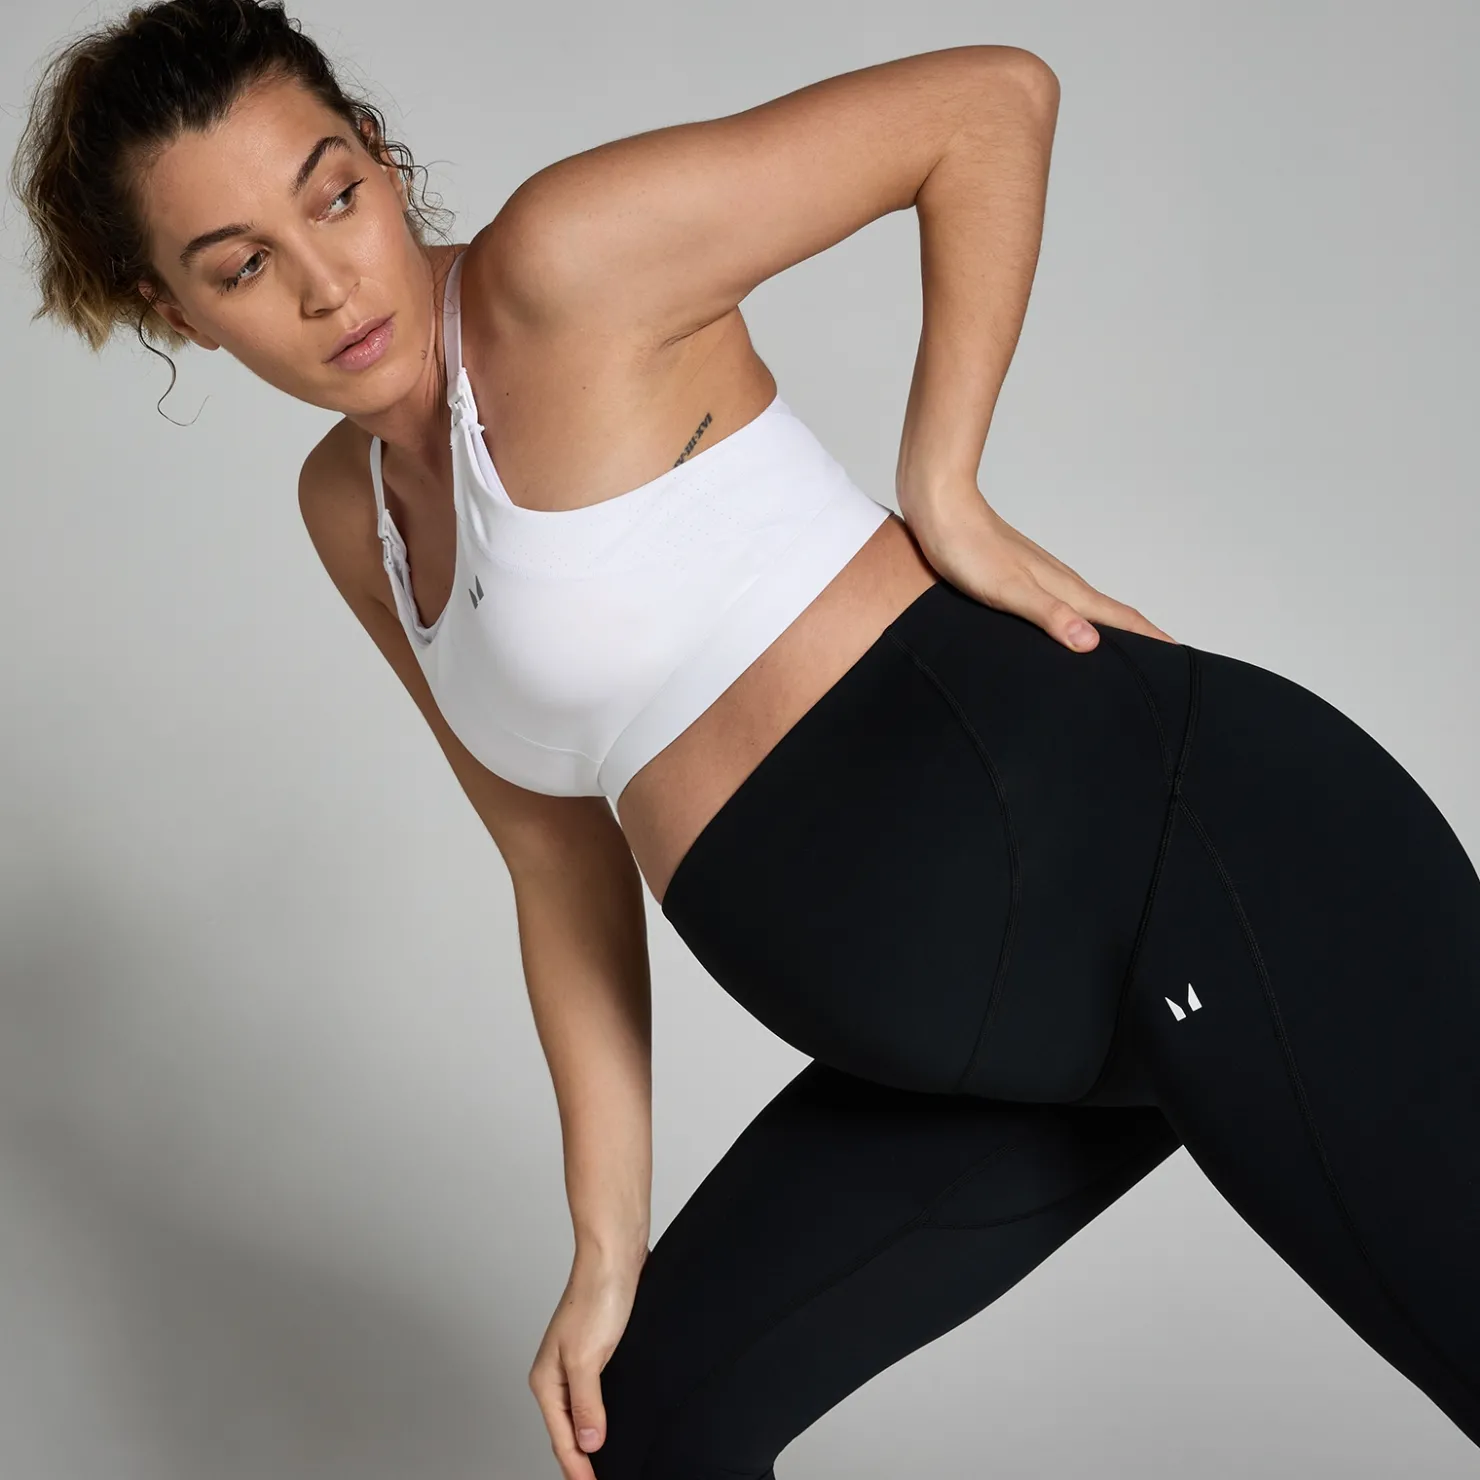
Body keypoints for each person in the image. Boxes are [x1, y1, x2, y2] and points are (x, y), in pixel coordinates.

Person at [11, 1, 1478, 1475]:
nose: (328, 282)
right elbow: (552, 861)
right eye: (244, 266)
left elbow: (988, 102)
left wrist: (946, 487)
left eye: (334, 194)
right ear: (173, 312)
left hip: (1201, 871)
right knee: (653, 1426)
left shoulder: (563, 265)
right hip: (988, 1042)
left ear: (381, 161)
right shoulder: (350, 513)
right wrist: (606, 1245)